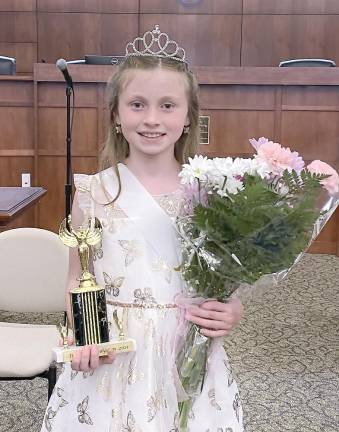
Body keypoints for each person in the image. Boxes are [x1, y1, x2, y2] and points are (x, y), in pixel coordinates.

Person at [41, 25, 244, 432]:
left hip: (184, 351)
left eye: (168, 106)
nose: (152, 119)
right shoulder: (93, 193)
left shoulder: (211, 193)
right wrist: (87, 335)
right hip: (114, 356)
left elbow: (226, 282)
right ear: (116, 114)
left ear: (189, 117)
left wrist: (232, 310)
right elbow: (77, 279)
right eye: (137, 104)